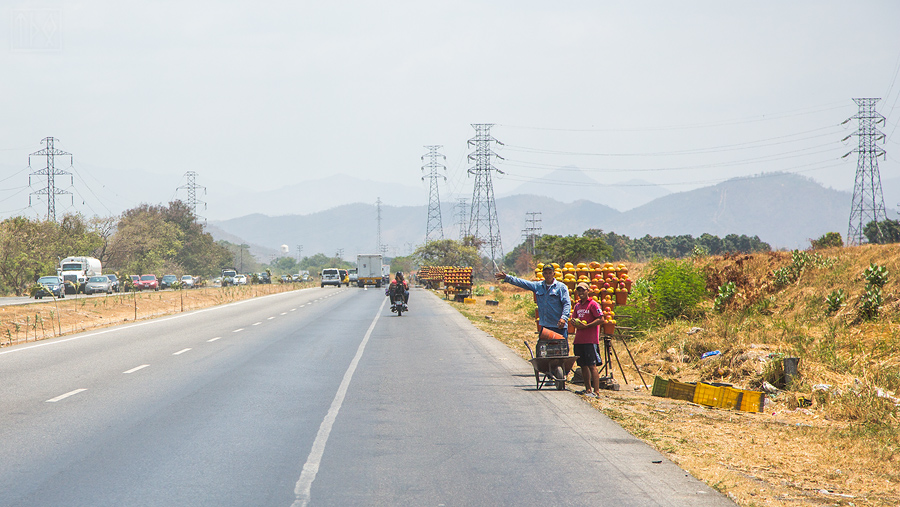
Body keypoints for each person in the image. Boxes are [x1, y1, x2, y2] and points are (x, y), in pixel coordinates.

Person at [495, 264, 571, 339]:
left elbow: (567, 303)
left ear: (554, 274)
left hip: (559, 326)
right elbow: (523, 283)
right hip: (546, 326)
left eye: (550, 273)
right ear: (543, 274)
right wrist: (508, 278)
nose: (548, 275)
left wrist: (564, 318)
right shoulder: (538, 286)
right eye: (546, 273)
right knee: (543, 349)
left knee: (561, 349)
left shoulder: (561, 287)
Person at [571, 282, 604, 398]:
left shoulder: (593, 304)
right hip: (579, 340)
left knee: (592, 365)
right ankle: (588, 389)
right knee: (583, 365)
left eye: (583, 290)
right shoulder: (577, 306)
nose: (581, 293)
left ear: (588, 291)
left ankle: (597, 391)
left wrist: (588, 326)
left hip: (590, 340)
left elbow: (601, 319)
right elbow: (573, 319)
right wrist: (576, 323)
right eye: (579, 291)